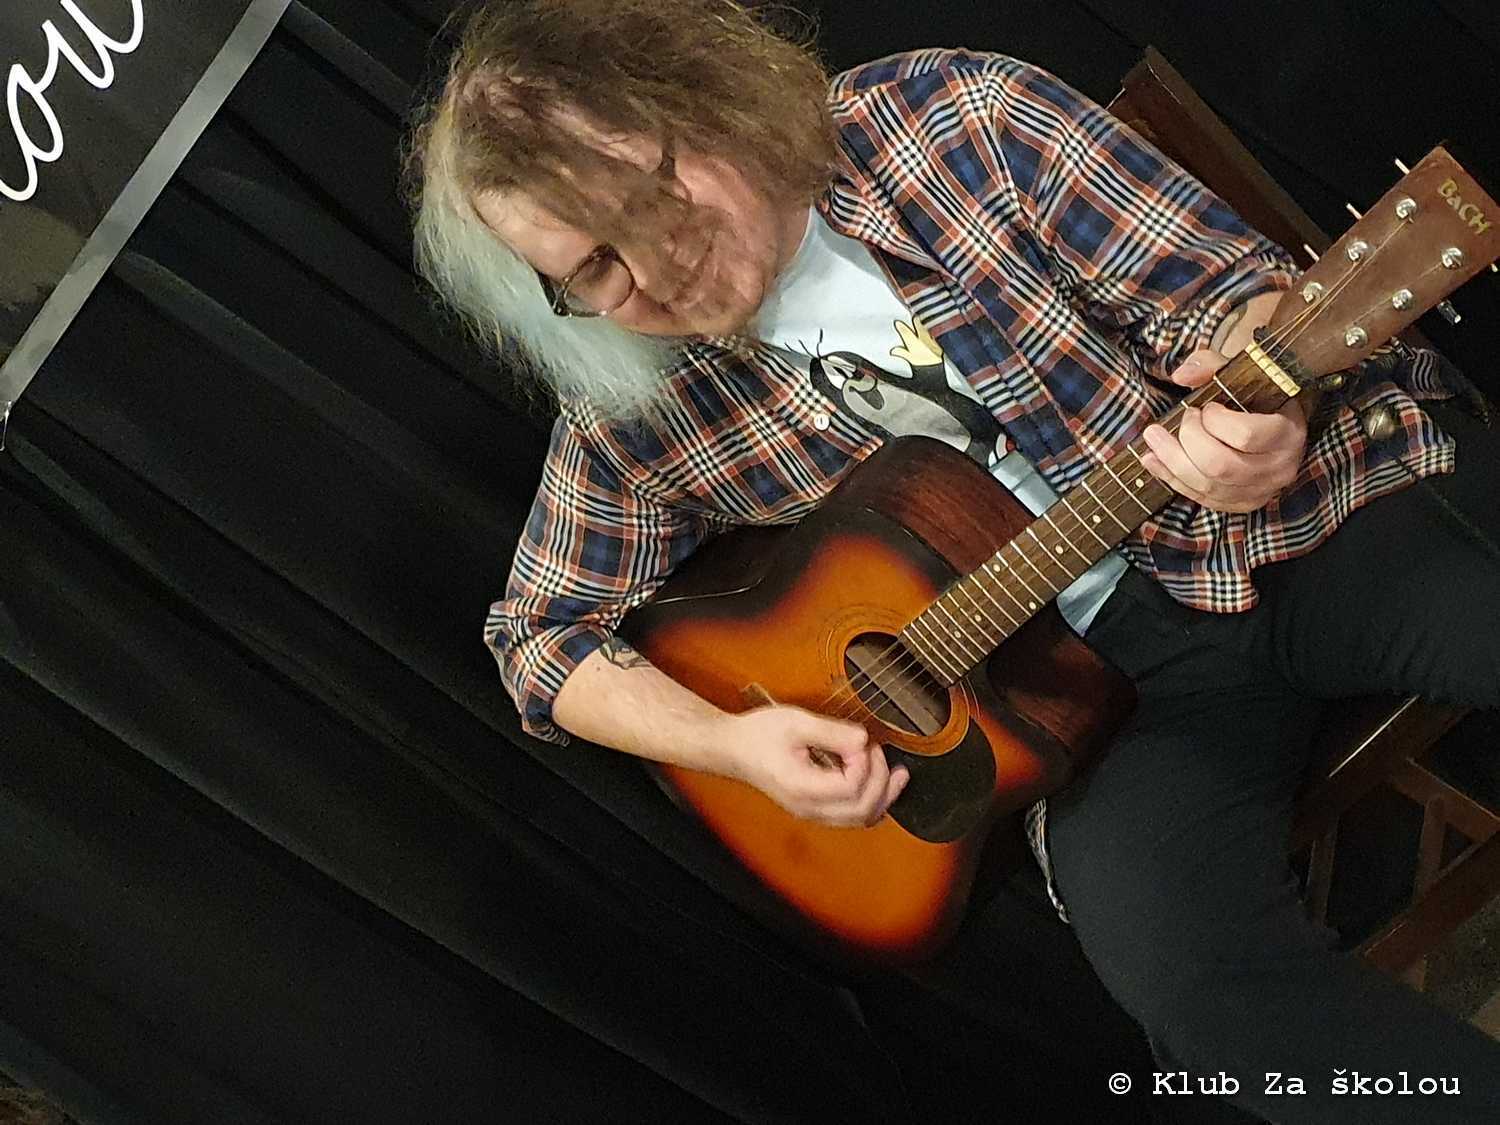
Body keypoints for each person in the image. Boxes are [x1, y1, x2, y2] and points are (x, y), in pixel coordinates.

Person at [403, 1, 1500, 1119]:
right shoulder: (634, 407)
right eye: (593, 266)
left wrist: (1267, 409)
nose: (654, 268)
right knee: (1196, 990)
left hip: (1305, 522)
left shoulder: (952, 118)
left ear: (711, 100)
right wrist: (731, 743)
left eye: (649, 198)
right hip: (1096, 700)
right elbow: (534, 639)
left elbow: (1230, 302)